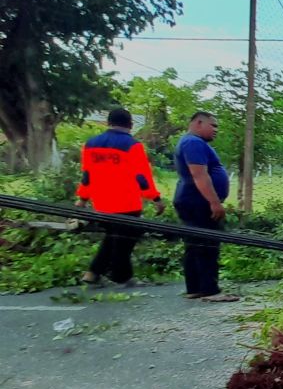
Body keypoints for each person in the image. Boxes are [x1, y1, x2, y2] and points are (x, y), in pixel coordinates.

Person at [75, 108, 165, 286]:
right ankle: (122, 276)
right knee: (125, 240)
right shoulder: (133, 146)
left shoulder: (91, 144)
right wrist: (155, 199)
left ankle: (92, 273)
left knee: (112, 237)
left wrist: (83, 198)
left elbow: (87, 175)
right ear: (130, 124)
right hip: (127, 202)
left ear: (108, 122)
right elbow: (142, 177)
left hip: (101, 203)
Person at [173, 112, 238, 302]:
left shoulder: (191, 142)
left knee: (194, 245)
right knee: (207, 245)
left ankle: (195, 288)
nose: (216, 130)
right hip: (198, 202)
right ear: (198, 123)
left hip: (191, 200)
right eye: (213, 125)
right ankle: (210, 290)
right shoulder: (193, 143)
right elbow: (199, 175)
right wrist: (214, 202)